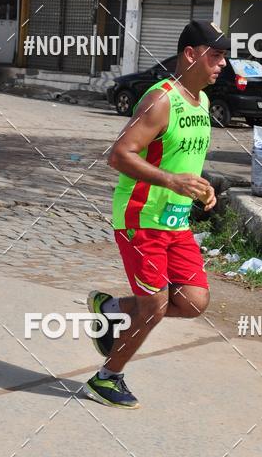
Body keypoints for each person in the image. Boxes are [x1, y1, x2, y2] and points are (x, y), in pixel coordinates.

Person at [86, 20, 231, 409]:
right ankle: (107, 378)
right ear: (191, 54)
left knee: (194, 301)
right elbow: (119, 155)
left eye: (223, 57)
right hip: (140, 215)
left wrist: (202, 188)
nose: (222, 64)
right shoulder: (161, 98)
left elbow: (183, 162)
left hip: (175, 221)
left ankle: (111, 310)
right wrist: (170, 180)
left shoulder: (200, 104)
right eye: (215, 56)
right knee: (154, 305)